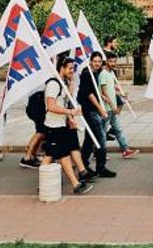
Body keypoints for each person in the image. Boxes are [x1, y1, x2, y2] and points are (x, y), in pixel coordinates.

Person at [43, 56, 93, 195]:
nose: (72, 71)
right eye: (70, 68)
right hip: (53, 126)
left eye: (73, 68)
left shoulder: (62, 82)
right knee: (60, 155)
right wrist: (70, 111)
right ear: (62, 68)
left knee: (54, 155)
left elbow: (67, 99)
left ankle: (46, 183)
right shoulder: (53, 84)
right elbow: (51, 106)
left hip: (61, 125)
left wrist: (70, 118)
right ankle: (75, 184)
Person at [78, 52, 114, 178]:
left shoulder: (96, 73)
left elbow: (96, 91)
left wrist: (103, 96)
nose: (97, 63)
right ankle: (100, 167)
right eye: (95, 61)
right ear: (90, 61)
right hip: (90, 110)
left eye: (99, 61)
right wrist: (101, 110)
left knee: (90, 139)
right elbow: (89, 94)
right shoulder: (87, 74)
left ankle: (84, 165)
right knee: (100, 138)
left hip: (93, 109)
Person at [99, 52, 139, 159]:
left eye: (114, 61)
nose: (113, 63)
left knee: (118, 130)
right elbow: (104, 92)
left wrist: (121, 94)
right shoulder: (103, 74)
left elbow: (112, 89)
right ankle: (100, 153)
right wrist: (113, 106)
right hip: (106, 109)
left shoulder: (111, 73)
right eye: (111, 61)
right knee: (102, 133)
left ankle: (125, 150)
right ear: (106, 61)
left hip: (112, 109)